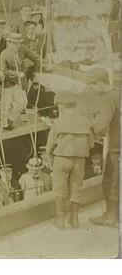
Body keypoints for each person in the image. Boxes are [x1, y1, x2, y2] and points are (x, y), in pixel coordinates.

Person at [46, 91, 94, 229]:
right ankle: (75, 219)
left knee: (60, 189)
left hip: (61, 160)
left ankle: (60, 220)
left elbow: (49, 147)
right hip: (79, 161)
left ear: (60, 107)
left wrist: (51, 163)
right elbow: (91, 144)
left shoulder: (58, 123)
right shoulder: (85, 121)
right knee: (76, 188)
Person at [84, 67, 120, 228]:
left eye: (92, 86)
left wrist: (87, 123)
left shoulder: (109, 98)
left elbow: (101, 126)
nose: (91, 89)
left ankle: (111, 217)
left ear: (99, 83)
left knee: (111, 180)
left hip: (116, 147)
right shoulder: (117, 93)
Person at [0, 32, 43, 130]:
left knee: (23, 102)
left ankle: (10, 117)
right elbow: (4, 70)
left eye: (18, 43)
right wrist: (16, 74)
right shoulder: (4, 54)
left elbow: (33, 56)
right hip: (9, 83)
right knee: (6, 105)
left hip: (20, 83)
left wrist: (43, 63)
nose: (17, 45)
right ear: (10, 43)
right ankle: (4, 124)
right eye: (15, 43)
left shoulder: (22, 49)